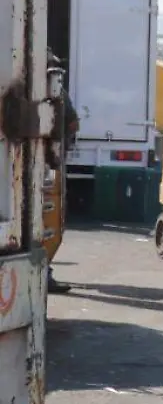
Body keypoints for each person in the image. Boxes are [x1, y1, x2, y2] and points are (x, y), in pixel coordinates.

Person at [47, 48, 77, 295]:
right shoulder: (57, 94)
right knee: (48, 220)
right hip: (49, 165)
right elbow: (73, 122)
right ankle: (44, 273)